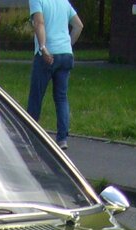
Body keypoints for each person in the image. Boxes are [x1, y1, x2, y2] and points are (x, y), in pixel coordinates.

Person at [26, 0, 82, 149]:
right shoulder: (63, 2)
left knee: (36, 97)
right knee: (61, 97)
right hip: (65, 54)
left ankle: (30, 135)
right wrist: (67, 45)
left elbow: (39, 23)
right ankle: (62, 138)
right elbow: (78, 26)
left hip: (47, 55)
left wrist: (43, 47)